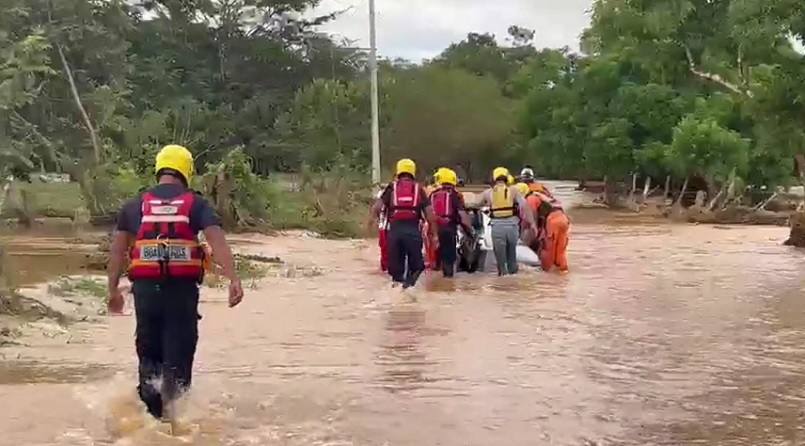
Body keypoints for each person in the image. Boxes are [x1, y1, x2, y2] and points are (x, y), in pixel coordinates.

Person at [106, 144, 244, 422]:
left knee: (149, 357)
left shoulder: (135, 206)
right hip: (181, 293)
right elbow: (217, 240)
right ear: (186, 171)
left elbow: (117, 251)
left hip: (146, 293)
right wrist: (233, 279)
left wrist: (112, 291)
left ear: (160, 169)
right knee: (177, 360)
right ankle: (176, 428)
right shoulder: (196, 204)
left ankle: (149, 423)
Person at [370, 159, 438, 288]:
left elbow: (377, 207)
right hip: (413, 230)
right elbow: (430, 215)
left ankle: (398, 293)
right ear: (413, 172)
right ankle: (408, 288)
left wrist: (375, 222)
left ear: (398, 171)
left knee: (395, 271)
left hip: (395, 231)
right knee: (417, 267)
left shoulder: (391, 188)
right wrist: (434, 234)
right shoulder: (419, 189)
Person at [478, 167, 537, 276]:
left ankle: (502, 283)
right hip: (512, 228)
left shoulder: (488, 193)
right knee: (512, 259)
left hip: (497, 228)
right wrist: (532, 223)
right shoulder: (514, 190)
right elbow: (525, 207)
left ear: (494, 178)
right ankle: (512, 284)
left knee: (501, 263)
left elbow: (476, 205)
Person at [429, 168, 472, 277]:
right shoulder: (455, 195)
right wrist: (469, 230)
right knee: (448, 261)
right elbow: (462, 215)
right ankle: (447, 284)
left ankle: (436, 285)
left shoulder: (433, 194)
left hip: (433, 230)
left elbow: (427, 213)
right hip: (449, 230)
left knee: (435, 261)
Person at [528, 188, 570, 274]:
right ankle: (563, 270)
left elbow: (533, 216)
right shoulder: (550, 198)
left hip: (553, 220)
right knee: (561, 247)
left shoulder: (532, 198)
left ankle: (548, 271)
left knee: (549, 246)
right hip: (564, 219)